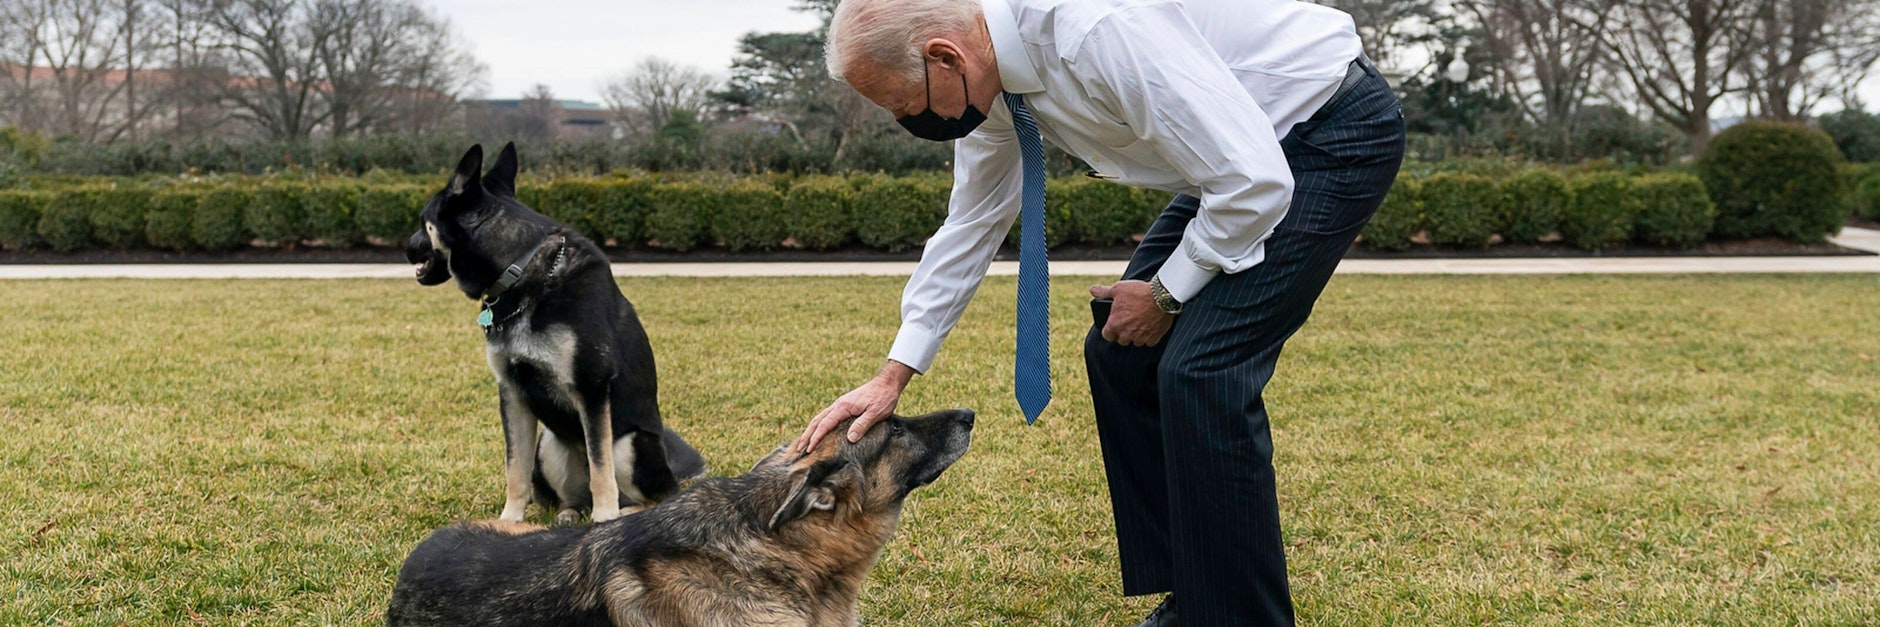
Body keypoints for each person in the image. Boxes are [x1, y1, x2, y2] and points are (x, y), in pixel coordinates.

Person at [795, 0, 1405, 624]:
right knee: (1121, 353)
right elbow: (975, 219)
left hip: (1322, 134)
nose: (906, 120)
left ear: (943, 56)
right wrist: (894, 372)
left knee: (1201, 371)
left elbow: (1255, 182)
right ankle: (1197, 598)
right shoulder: (989, 78)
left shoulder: (1095, 28)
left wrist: (1167, 293)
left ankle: (1237, 617)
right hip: (1232, 163)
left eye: (903, 104)